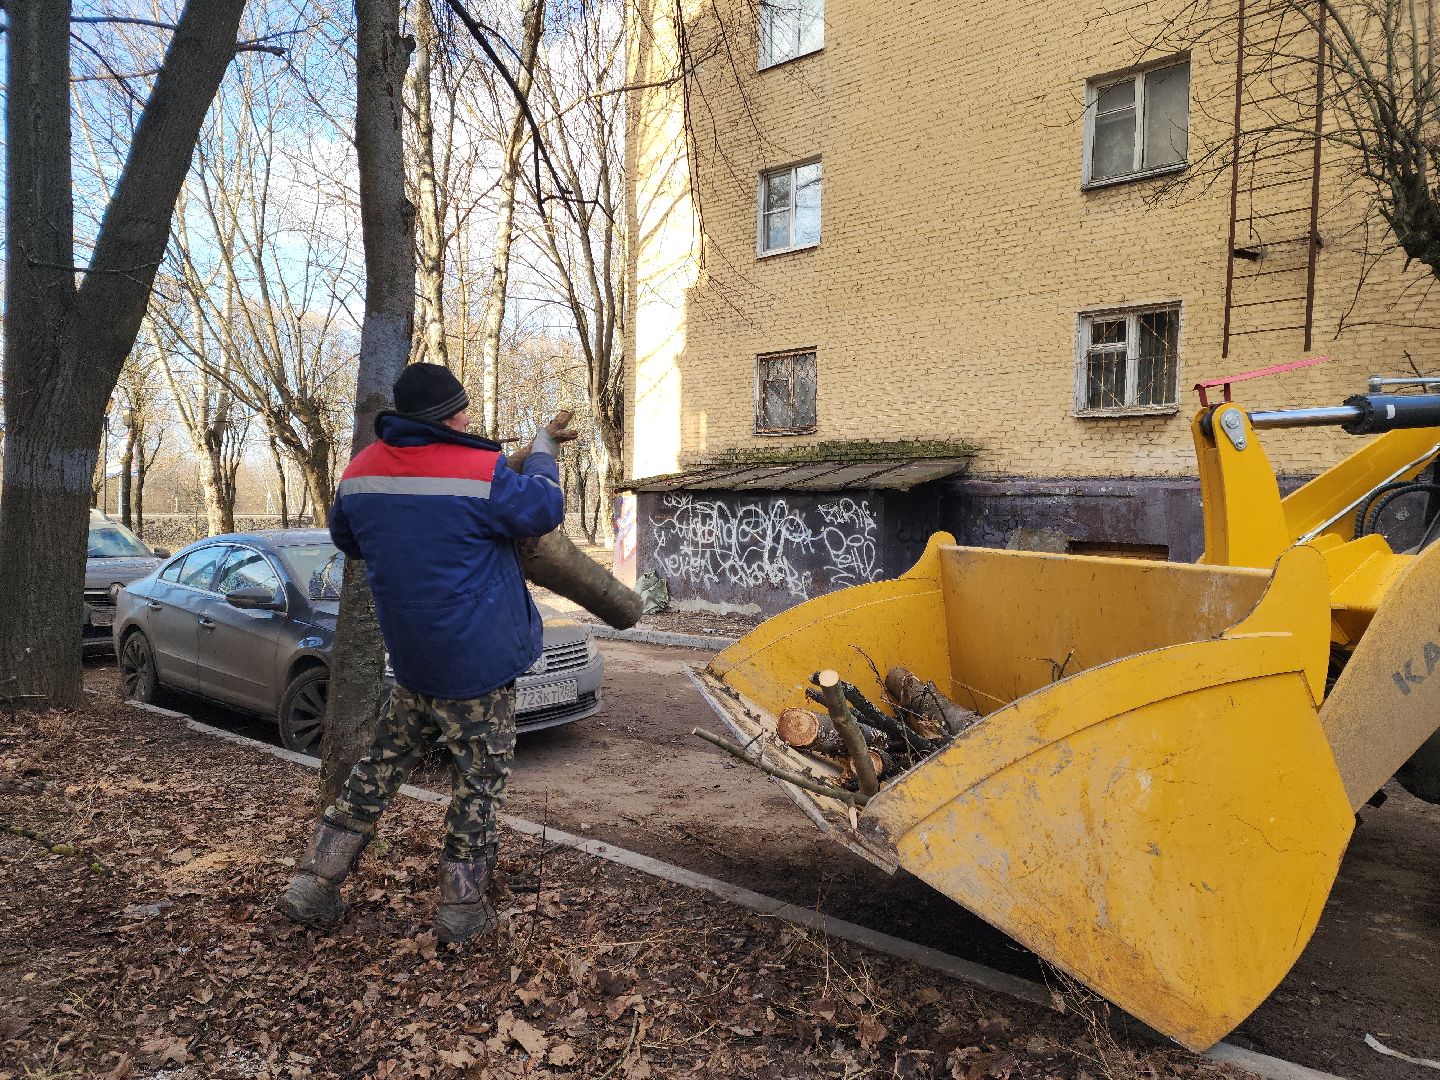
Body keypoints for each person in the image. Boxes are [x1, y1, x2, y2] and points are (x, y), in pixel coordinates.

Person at [278, 363, 574, 943]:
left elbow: (348, 539)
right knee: (478, 784)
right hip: (478, 666)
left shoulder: (359, 472)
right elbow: (543, 510)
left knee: (378, 769)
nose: (467, 417)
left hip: (412, 661)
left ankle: (314, 881)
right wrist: (542, 452)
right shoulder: (478, 468)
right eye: (460, 410)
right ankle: (461, 913)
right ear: (445, 417)